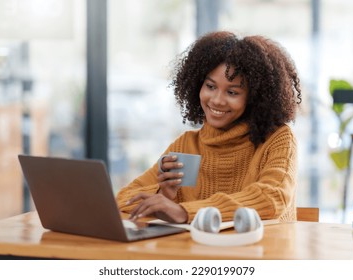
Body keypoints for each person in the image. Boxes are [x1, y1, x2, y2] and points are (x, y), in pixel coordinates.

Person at [116, 31, 302, 224]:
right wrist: (163, 195)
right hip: (197, 251)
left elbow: (272, 199)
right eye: (210, 86)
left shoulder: (278, 139)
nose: (217, 100)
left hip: (261, 251)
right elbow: (123, 198)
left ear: (255, 97)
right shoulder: (187, 145)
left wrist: (183, 211)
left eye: (232, 92)